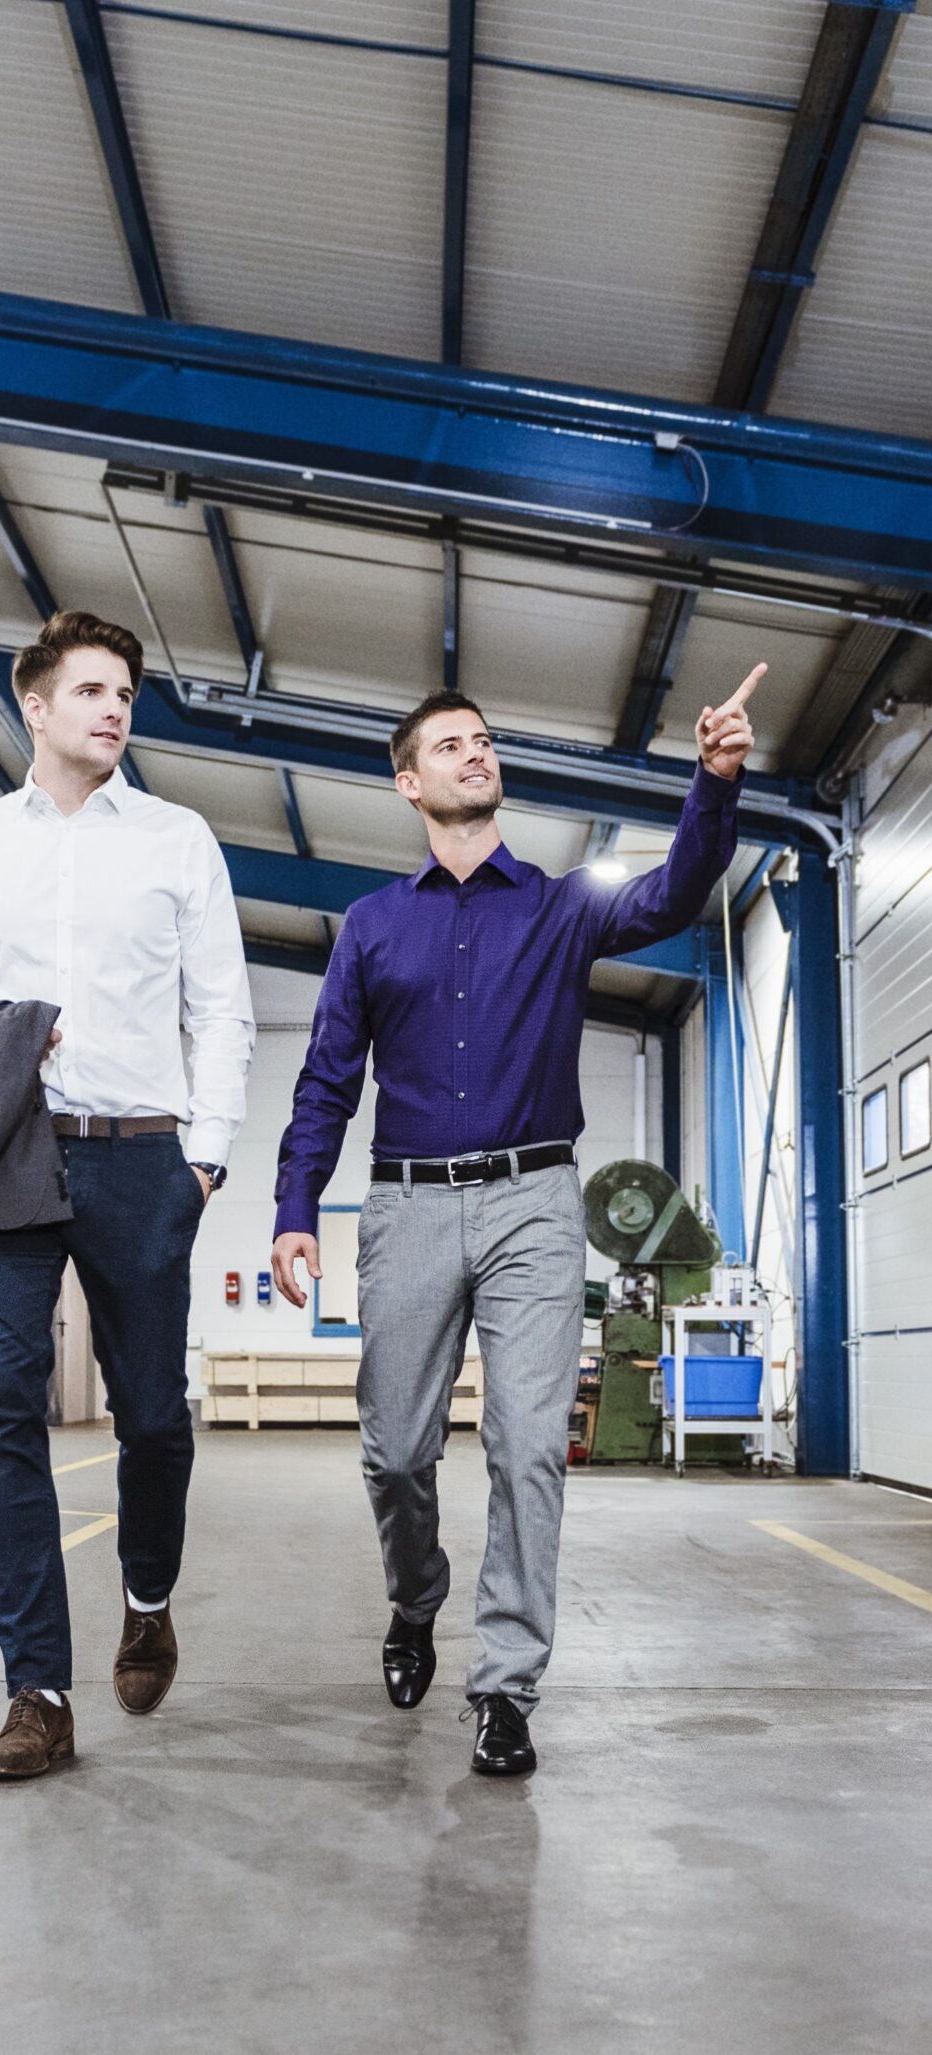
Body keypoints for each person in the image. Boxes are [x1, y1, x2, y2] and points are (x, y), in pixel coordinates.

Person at [271, 667, 765, 1777]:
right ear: (407, 782)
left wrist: (713, 782)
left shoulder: (559, 903)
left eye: (483, 740)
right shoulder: (369, 926)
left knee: (528, 1445)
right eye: (449, 745)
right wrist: (295, 1205)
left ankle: (503, 1685)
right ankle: (414, 1602)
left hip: (533, 1203)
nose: (474, 753)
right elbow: (324, 1080)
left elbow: (675, 894)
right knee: (395, 1452)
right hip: (402, 1205)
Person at [0, 608, 255, 1780]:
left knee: (151, 1411)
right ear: (34, 706)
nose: (115, 709)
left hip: (141, 1156)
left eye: (125, 693)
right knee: (5, 1408)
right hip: (7, 1153)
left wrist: (202, 1157)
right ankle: (37, 1692)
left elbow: (222, 1006)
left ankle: (146, 1593)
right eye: (92, 690)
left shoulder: (176, 838)